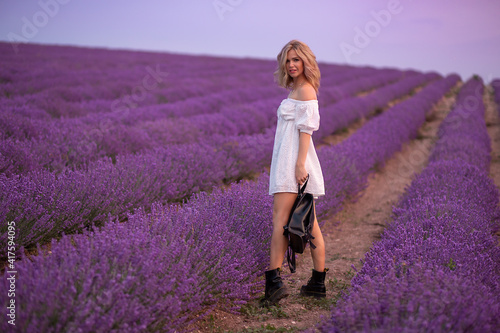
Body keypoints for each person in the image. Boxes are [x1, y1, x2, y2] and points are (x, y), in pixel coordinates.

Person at [263, 40, 327, 306]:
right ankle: (317, 283)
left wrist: (299, 165)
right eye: (288, 60)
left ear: (306, 63)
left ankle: (274, 284)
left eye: (296, 60)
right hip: (290, 162)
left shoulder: (306, 91)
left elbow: (306, 131)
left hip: (293, 165)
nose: (291, 65)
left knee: (281, 220)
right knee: (309, 225)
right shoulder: (298, 90)